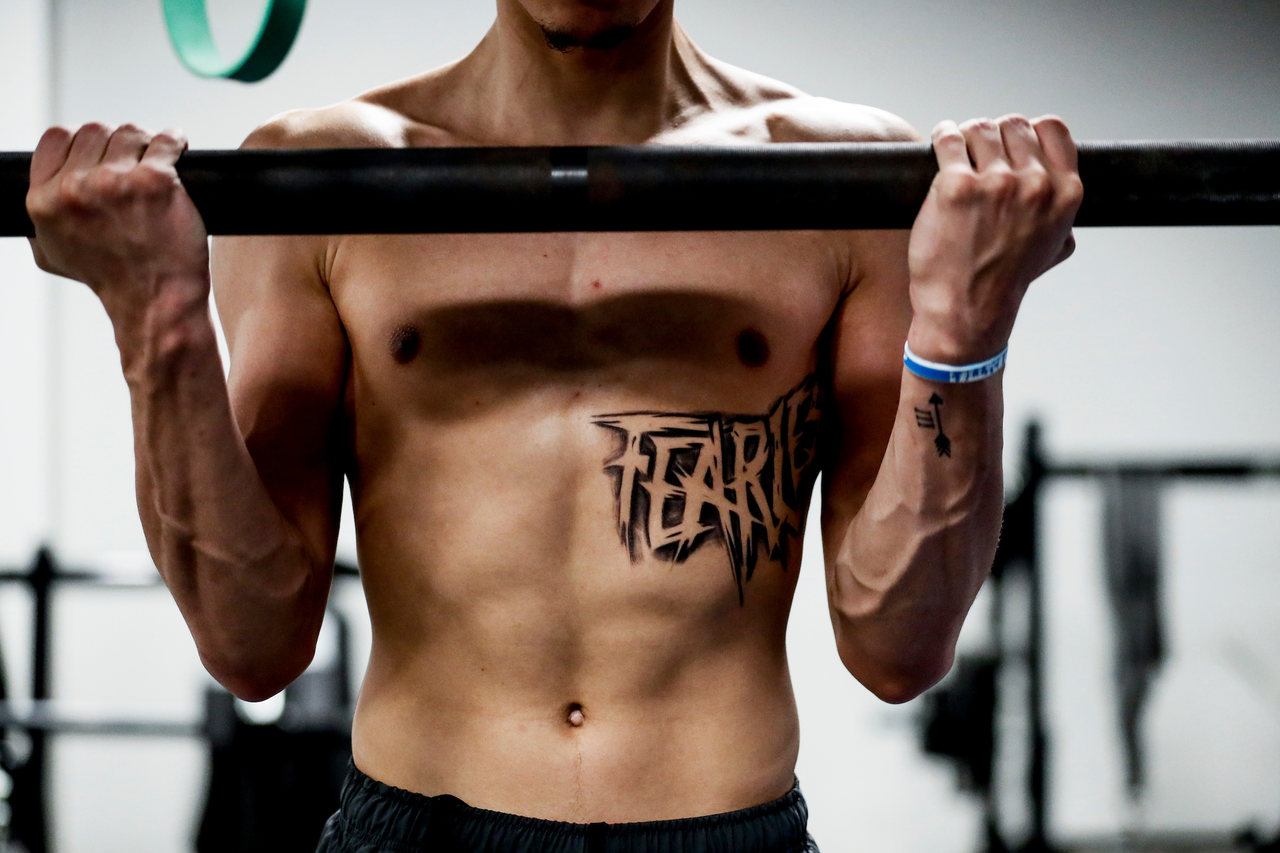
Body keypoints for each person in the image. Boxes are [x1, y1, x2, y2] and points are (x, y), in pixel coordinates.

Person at [23, 0, 1081, 850]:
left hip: (723, 832)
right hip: (419, 827)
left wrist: (960, 328)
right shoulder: (322, 177)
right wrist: (156, 320)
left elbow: (898, 648)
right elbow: (252, 647)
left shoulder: (843, 177)